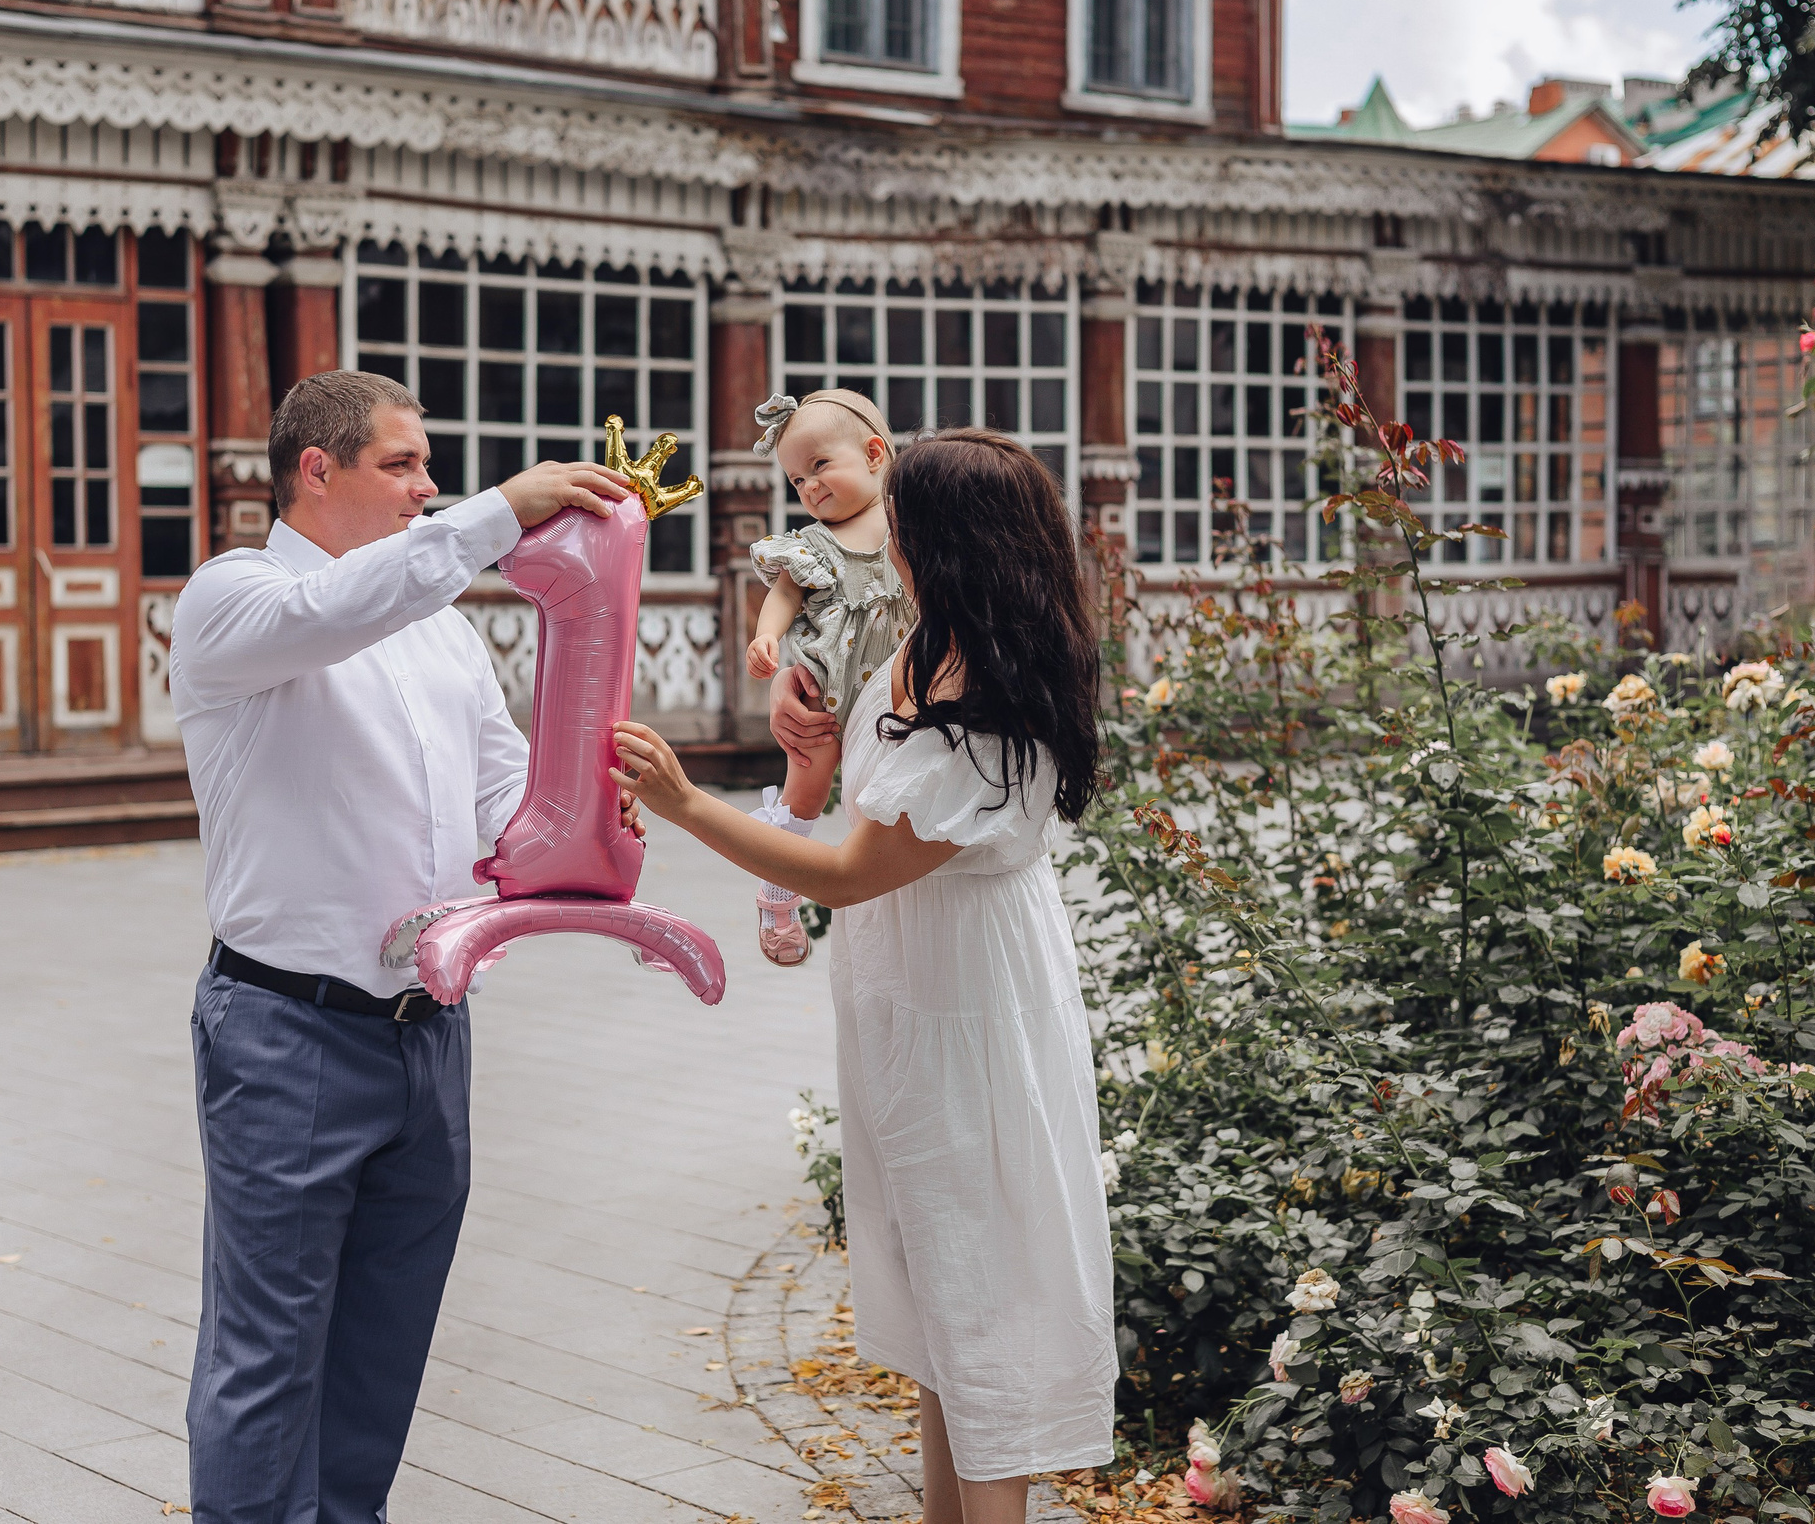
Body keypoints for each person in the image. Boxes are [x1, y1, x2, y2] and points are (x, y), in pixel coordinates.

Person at [611, 428, 1114, 1524]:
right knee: (939, 1281)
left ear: (947, 543)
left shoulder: (991, 705)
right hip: (912, 989)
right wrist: (810, 750)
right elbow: (855, 795)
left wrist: (686, 805)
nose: (883, 538)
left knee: (980, 1289)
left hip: (970, 1006)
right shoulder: (932, 644)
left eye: (901, 523)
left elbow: (849, 872)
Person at [166, 369, 634, 1524]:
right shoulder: (234, 596)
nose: (428, 488)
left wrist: (593, 821)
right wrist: (499, 512)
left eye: (430, 467)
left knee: (382, 1348)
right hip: (287, 1033)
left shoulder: (442, 634)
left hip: (431, 1037)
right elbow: (336, 613)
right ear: (314, 470)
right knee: (267, 1353)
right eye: (402, 464)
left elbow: (502, 798)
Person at [742, 388, 916, 966]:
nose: (809, 486)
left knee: (895, 793)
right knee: (807, 787)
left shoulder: (911, 525)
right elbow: (783, 595)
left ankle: (887, 883)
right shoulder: (812, 545)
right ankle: (777, 893)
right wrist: (767, 637)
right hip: (828, 688)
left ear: (873, 454)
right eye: (796, 480)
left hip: (903, 687)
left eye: (819, 466)